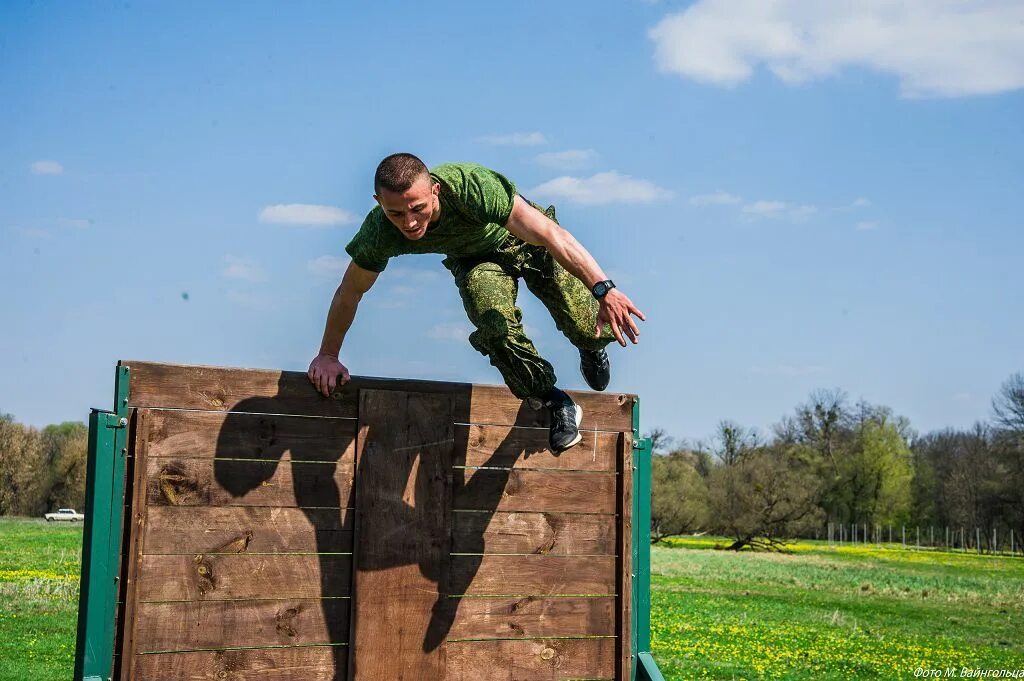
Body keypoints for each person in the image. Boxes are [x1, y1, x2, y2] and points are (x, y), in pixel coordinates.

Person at [307, 153, 645, 452]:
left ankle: (589, 345)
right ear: (379, 203)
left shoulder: (470, 186)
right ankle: (554, 400)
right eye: (395, 213)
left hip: (527, 243)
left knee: (583, 325)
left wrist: (605, 290)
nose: (409, 222)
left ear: (434, 191)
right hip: (477, 262)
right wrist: (328, 355)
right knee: (494, 329)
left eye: (418, 209)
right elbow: (349, 291)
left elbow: (549, 235)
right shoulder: (380, 232)